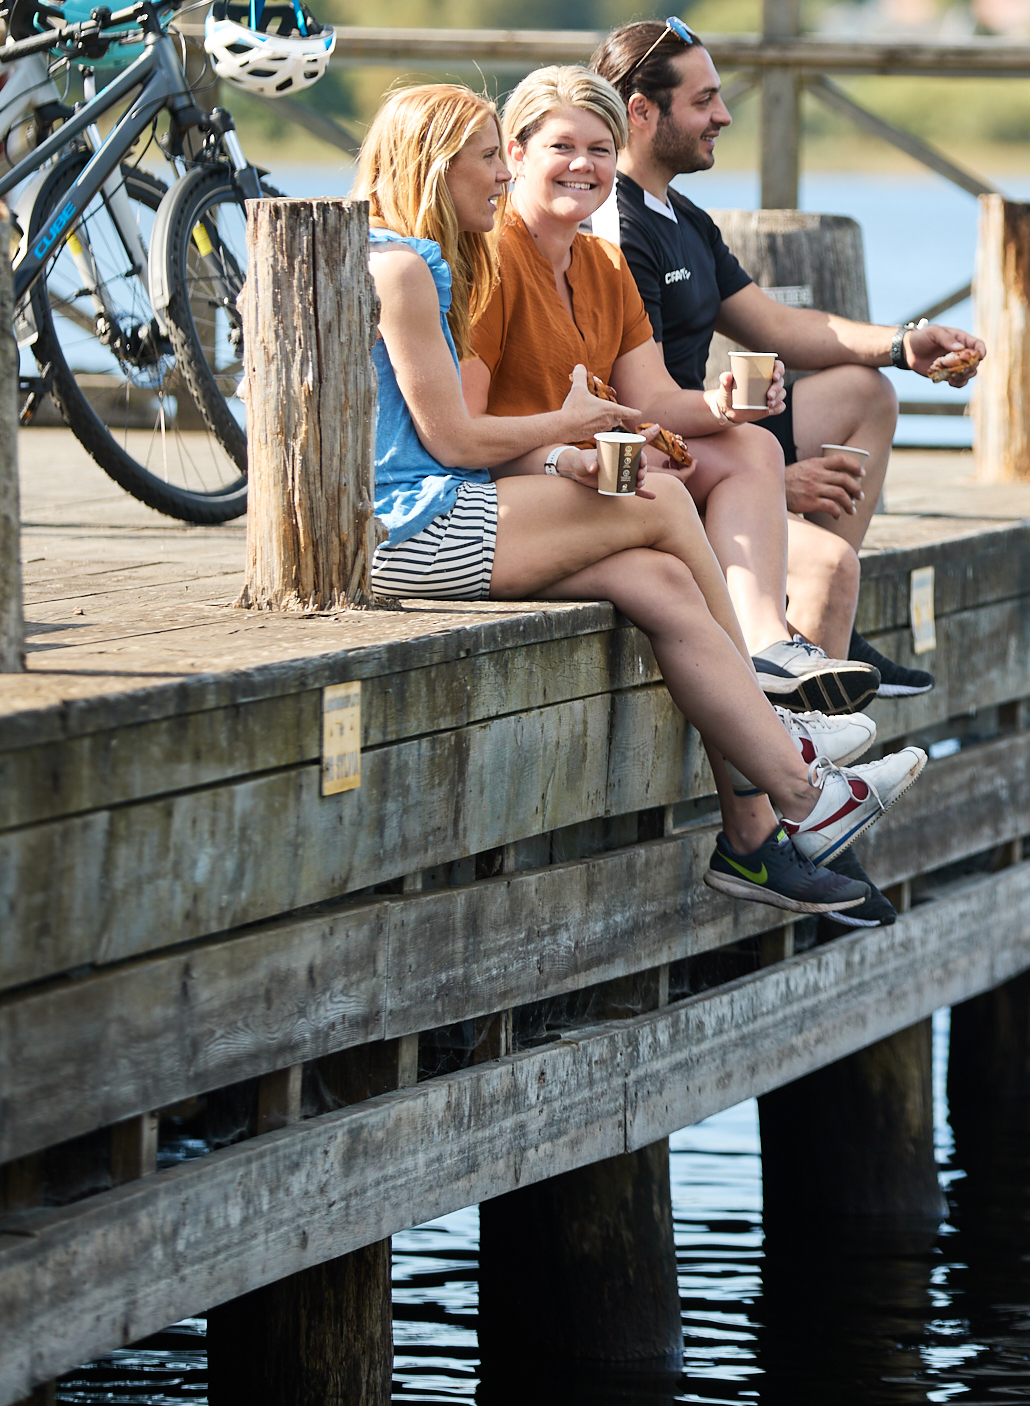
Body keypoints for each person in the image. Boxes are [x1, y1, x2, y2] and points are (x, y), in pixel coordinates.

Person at [357, 79, 924, 919]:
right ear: (444, 164)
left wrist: (697, 412)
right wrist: (570, 430)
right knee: (660, 502)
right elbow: (454, 440)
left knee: (662, 575)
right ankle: (790, 751)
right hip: (420, 522)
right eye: (493, 158)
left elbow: (630, 404)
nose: (502, 177)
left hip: (465, 504)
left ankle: (758, 835)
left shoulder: (479, 259)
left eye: (600, 148)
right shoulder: (426, 264)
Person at [461, 63, 878, 715]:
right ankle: (780, 727)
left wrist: (721, 404)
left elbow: (652, 400)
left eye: (600, 149)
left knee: (752, 446)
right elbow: (461, 433)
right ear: (516, 155)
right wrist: (566, 452)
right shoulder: (490, 260)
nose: (583, 165)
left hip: (601, 474)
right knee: (702, 522)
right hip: (521, 485)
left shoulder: (603, 262)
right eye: (562, 147)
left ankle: (768, 645)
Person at [591, 17, 986, 687]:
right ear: (641, 111)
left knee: (866, 390)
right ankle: (797, 721)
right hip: (657, 459)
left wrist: (901, 345)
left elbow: (775, 324)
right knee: (831, 567)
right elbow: (640, 408)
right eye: (704, 100)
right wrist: (770, 482)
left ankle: (823, 631)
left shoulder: (684, 217)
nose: (724, 115)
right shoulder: (616, 229)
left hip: (712, 436)